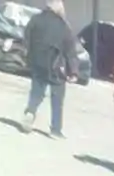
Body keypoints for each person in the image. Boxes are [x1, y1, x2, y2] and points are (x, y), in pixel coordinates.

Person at [20, 0, 80, 138]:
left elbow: (26, 39)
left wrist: (27, 58)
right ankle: (55, 129)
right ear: (58, 8)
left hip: (37, 63)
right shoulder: (63, 26)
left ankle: (30, 111)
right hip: (55, 67)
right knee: (57, 98)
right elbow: (70, 50)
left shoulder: (35, 20)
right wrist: (74, 71)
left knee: (36, 92)